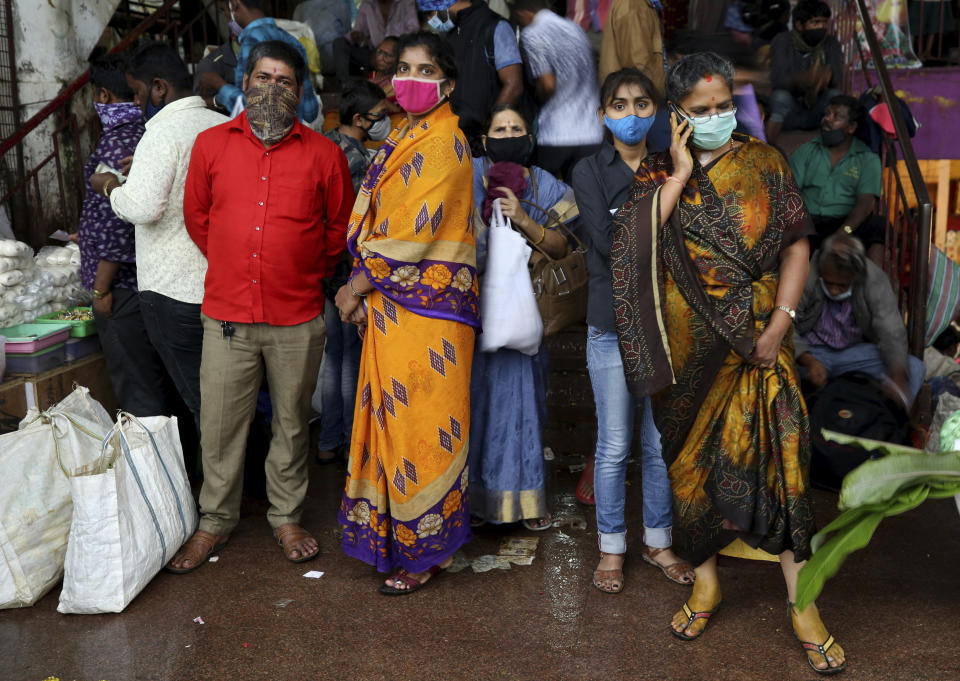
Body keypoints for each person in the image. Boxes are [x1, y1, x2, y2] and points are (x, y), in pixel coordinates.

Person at [611, 52, 846, 673]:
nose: (716, 117)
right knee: (692, 469)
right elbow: (632, 248)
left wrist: (780, 324)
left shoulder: (765, 163)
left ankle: (804, 603)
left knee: (787, 459)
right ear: (678, 115)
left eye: (724, 107)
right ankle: (707, 583)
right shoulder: (659, 170)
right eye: (701, 110)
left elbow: (797, 246)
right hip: (690, 351)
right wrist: (681, 174)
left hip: (764, 343)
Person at [171, 40, 354, 573]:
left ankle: (286, 516)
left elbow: (337, 228)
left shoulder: (325, 154)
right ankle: (214, 522)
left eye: (284, 80)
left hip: (297, 314)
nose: (272, 87)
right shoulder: (211, 145)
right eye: (263, 77)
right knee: (221, 425)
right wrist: (235, 260)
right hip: (227, 312)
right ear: (244, 84)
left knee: (294, 424)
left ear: (300, 92)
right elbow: (197, 217)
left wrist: (301, 268)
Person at [335, 32, 479, 594]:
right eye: (405, 69)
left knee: (421, 425)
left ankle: (428, 550)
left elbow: (407, 238)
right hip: (394, 305)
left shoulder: (447, 145)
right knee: (389, 423)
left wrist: (354, 286)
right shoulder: (403, 136)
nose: (412, 80)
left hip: (429, 312)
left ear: (446, 82)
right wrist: (361, 285)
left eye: (425, 71)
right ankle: (397, 539)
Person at [570, 68, 694, 594]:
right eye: (619, 104)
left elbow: (684, 244)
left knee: (658, 441)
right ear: (603, 113)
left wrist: (677, 178)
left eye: (643, 104)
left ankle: (659, 541)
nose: (631, 114)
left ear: (659, 113)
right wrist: (673, 190)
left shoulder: (672, 165)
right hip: (612, 325)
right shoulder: (589, 171)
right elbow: (610, 243)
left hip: (665, 323)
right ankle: (612, 546)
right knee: (615, 444)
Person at [89, 43, 224, 433]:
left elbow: (142, 208)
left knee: (203, 402)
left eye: (138, 92)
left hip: (174, 291)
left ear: (160, 88)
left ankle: (220, 492)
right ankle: (238, 483)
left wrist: (110, 185)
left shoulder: (162, 132)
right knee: (225, 393)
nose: (136, 101)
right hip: (218, 285)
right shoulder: (220, 122)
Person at [469, 103, 573, 530]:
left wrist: (523, 218)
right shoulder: (465, 172)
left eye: (517, 127)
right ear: (484, 139)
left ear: (529, 139)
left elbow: (563, 245)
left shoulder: (545, 184)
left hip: (525, 311)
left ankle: (526, 499)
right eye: (500, 127)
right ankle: (473, 502)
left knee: (523, 405)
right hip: (469, 309)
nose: (508, 133)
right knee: (472, 405)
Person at [78, 55, 167, 418]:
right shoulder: (144, 134)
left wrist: (100, 289)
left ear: (102, 94)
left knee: (138, 387)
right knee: (152, 379)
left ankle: (156, 472)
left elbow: (119, 224)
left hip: (120, 288)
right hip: (138, 284)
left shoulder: (117, 144)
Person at [316, 80, 389, 464]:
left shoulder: (321, 142)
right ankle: (347, 441)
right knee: (348, 357)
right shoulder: (358, 159)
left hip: (322, 266)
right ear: (360, 119)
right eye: (380, 115)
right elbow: (355, 225)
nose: (386, 121)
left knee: (332, 356)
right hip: (346, 269)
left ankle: (329, 441)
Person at [795, 234, 925, 409]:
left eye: (841, 286)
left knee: (915, 368)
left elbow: (891, 329)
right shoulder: (806, 272)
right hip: (811, 351)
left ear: (855, 277)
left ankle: (886, 425)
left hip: (853, 354)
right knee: (776, 366)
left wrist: (897, 376)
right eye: (829, 283)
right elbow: (787, 324)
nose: (833, 291)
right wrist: (808, 360)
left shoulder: (873, 278)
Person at [789, 95, 886, 266]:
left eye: (836, 116)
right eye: (827, 114)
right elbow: (789, 192)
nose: (827, 119)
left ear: (851, 127)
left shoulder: (867, 159)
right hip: (808, 222)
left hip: (845, 224)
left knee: (878, 226)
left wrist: (843, 233)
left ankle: (871, 282)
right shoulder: (806, 151)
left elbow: (866, 203)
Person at [418, 0, 524, 154]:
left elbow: (514, 86)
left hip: (483, 142)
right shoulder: (449, 34)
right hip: (454, 138)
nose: (431, 19)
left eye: (430, 12)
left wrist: (490, 132)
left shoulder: (495, 27)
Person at [514, 0, 604, 180]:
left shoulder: (533, 33)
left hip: (556, 132)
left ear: (523, 14)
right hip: (591, 132)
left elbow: (547, 84)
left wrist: (535, 98)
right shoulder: (575, 28)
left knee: (548, 199)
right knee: (583, 198)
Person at [199, 0, 319, 124]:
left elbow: (250, 106)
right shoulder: (294, 42)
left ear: (234, 4)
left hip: (264, 139)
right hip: (293, 137)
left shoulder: (252, 39)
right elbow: (310, 112)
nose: (228, 20)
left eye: (225, 11)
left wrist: (218, 84)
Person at [765, 0, 842, 145]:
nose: (822, 27)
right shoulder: (782, 41)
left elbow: (836, 77)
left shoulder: (830, 43)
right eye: (816, 22)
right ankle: (767, 146)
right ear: (799, 25)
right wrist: (804, 79)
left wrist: (826, 76)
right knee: (780, 96)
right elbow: (778, 80)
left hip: (817, 112)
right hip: (791, 112)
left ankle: (832, 144)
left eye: (824, 23)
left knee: (835, 96)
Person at [598, 0, 670, 153]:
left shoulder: (641, 4)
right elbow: (638, 68)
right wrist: (643, 108)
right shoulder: (633, 5)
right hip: (640, 107)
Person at [292, 0, 353, 71]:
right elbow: (347, 30)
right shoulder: (339, 4)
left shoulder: (299, 8)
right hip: (333, 59)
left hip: (308, 62)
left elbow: (295, 35)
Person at [368, 36, 403, 111]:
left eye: (388, 55)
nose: (380, 58)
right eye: (379, 52)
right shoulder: (373, 75)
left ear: (398, 59)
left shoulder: (399, 84)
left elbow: (399, 112)